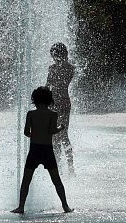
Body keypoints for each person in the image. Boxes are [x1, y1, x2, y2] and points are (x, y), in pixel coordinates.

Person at [11, 86, 73, 215]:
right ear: (50, 100)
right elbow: (52, 131)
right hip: (47, 150)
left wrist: (35, 134)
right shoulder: (53, 114)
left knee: (26, 180)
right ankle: (65, 206)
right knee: (56, 180)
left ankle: (21, 207)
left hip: (34, 149)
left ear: (34, 99)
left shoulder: (31, 114)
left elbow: (26, 132)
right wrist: (61, 127)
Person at [46, 42, 76, 173]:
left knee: (59, 135)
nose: (53, 58)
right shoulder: (70, 68)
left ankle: (66, 166)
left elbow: (48, 85)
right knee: (60, 135)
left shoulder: (57, 68)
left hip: (58, 103)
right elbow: (48, 85)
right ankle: (65, 166)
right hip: (60, 102)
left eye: (54, 55)